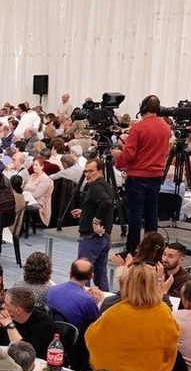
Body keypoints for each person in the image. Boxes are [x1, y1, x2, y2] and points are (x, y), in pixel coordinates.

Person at [84, 264, 180, 371]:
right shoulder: (165, 312)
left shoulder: (115, 312)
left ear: (127, 284)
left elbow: (92, 339)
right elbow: (171, 347)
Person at [115, 96, 171, 251]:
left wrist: (118, 158)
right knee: (152, 212)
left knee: (135, 214)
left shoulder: (138, 128)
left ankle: (132, 247)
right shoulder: (166, 127)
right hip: (156, 175)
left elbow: (130, 155)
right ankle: (151, 247)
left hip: (138, 176)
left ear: (143, 107)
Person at [72, 158, 116, 288]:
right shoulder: (106, 185)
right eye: (85, 171)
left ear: (100, 171)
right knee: (100, 273)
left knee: (83, 272)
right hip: (103, 238)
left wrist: (95, 222)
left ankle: (82, 302)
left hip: (91, 238)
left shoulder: (96, 187)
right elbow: (105, 204)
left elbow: (106, 202)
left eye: (91, 171)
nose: (87, 174)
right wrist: (86, 212)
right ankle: (104, 302)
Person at [0, 283, 57, 351]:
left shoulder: (44, 325)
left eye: (6, 304)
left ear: (18, 310)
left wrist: (10, 326)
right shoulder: (4, 316)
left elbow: (23, 353)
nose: (3, 306)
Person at [46, 258, 102, 332]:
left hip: (52, 333)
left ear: (70, 273)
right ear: (91, 276)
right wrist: (98, 303)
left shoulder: (52, 290)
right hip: (76, 340)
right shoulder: (88, 301)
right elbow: (95, 326)